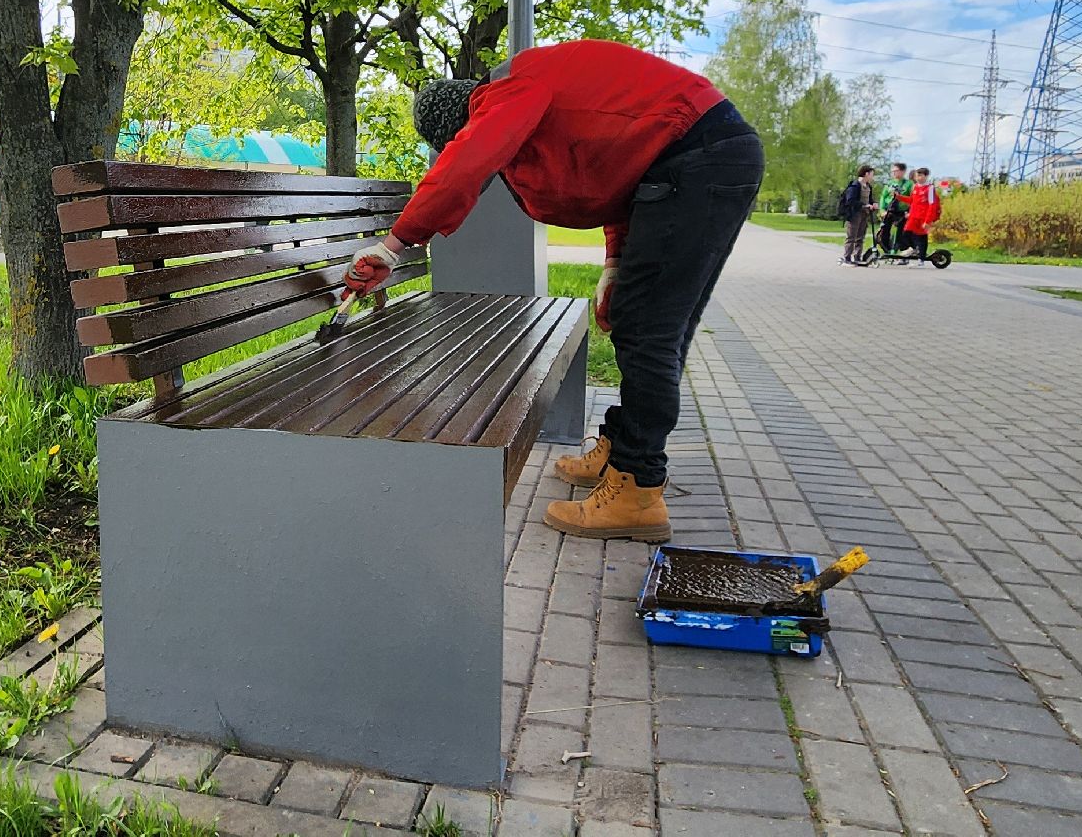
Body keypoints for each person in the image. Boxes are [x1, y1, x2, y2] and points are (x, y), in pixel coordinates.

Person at [338, 40, 762, 543]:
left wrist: (395, 244)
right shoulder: (533, 85)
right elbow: (622, 171)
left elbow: (471, 160)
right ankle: (625, 446)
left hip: (699, 160)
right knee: (641, 318)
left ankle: (637, 488)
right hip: (689, 162)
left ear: (460, 120)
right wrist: (614, 261)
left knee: (653, 327)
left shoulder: (505, 92)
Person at [896, 167, 943, 258]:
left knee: (921, 237)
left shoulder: (929, 188)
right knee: (905, 233)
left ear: (926, 176)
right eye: (917, 176)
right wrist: (899, 197)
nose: (918, 178)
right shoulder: (916, 187)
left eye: (920, 176)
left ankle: (921, 257)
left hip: (923, 217)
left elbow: (932, 205)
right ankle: (913, 249)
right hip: (913, 216)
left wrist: (928, 220)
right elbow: (912, 200)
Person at [837, 165, 876, 265]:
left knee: (860, 237)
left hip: (865, 214)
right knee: (851, 236)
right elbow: (850, 201)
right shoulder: (855, 186)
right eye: (872, 174)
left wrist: (873, 204)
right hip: (855, 214)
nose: (873, 177)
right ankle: (847, 257)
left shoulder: (868, 186)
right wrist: (864, 205)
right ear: (866, 174)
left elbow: (869, 199)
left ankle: (857, 257)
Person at [877, 162, 912, 255]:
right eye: (892, 171)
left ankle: (898, 249)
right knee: (883, 231)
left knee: (900, 233)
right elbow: (883, 197)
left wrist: (910, 211)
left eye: (896, 171)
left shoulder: (908, 184)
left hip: (902, 211)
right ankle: (887, 249)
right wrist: (882, 210)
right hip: (889, 210)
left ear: (903, 171)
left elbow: (913, 199)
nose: (894, 173)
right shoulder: (889, 184)